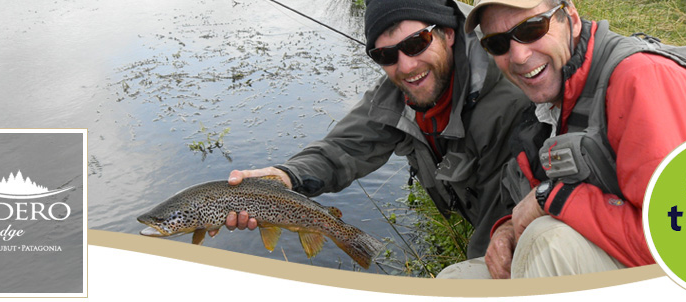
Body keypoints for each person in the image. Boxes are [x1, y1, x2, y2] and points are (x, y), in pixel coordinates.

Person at [441, 0, 686, 279]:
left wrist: (551, 199)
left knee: (547, 243)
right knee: (455, 282)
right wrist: (506, 228)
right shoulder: (552, 101)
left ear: (569, 17)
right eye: (498, 43)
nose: (518, 55)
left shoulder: (639, 80)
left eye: (532, 28)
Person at [216, 0, 533, 262]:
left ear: (448, 33)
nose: (406, 66)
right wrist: (288, 177)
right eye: (386, 55)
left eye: (416, 43)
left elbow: (498, 227)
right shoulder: (400, 96)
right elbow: (344, 148)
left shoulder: (505, 98)